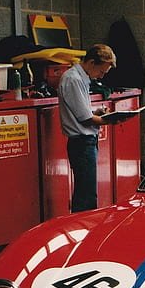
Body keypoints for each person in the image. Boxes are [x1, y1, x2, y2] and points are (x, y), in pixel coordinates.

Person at [58, 43, 122, 212]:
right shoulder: (74, 79)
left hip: (85, 141)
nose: (100, 77)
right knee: (85, 197)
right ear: (92, 63)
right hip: (81, 142)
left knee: (87, 192)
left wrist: (98, 112)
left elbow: (84, 112)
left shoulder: (80, 79)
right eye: (101, 71)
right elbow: (85, 119)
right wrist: (110, 120)